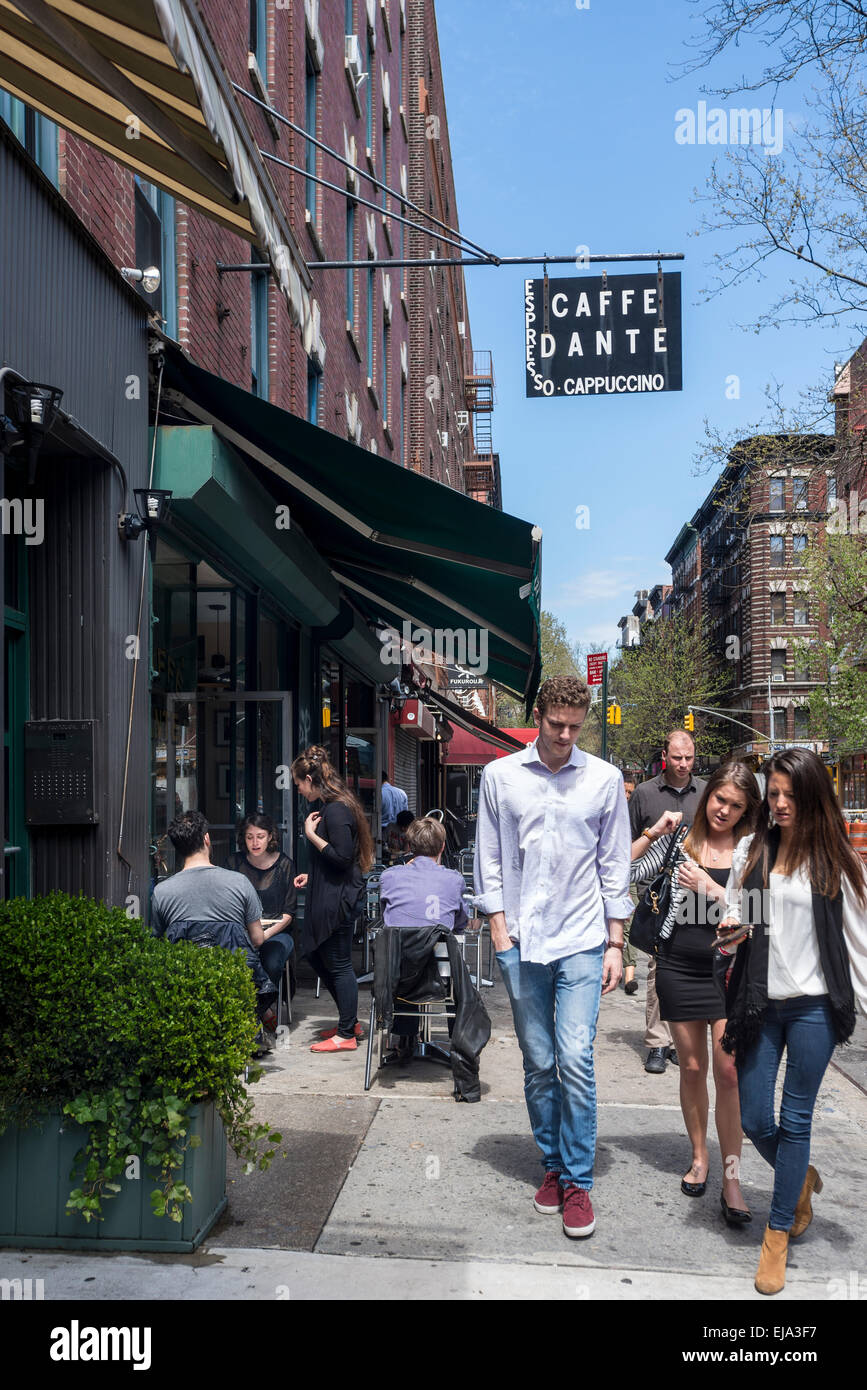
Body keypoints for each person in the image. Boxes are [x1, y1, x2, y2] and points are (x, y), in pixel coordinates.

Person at [474, 675, 632, 1240]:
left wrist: (617, 941)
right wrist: (497, 930)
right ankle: (552, 1166)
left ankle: (579, 1182)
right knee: (539, 1063)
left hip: (585, 939)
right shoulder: (500, 777)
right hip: (520, 941)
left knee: (575, 1058)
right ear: (538, 715)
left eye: (574, 726)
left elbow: (615, 864)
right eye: (555, 724)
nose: (565, 735)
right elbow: (488, 855)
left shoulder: (605, 780)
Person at [718, 748, 867, 1295]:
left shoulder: (836, 862)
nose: (779, 804)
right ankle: (797, 1177)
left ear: (811, 798)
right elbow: (738, 914)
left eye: (789, 795)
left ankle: (777, 1232)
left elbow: (859, 940)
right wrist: (732, 929)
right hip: (760, 1003)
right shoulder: (752, 853)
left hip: (813, 1008)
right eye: (773, 794)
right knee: (756, 1116)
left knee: (796, 1118)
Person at [629, 762, 761, 1220]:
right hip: (679, 966)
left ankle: (732, 1178)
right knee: (690, 1067)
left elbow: (763, 911)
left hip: (729, 973)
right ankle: (699, 1158)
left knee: (727, 1074)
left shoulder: (753, 850)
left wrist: (712, 889)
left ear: (747, 811)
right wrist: (653, 830)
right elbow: (623, 869)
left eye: (736, 805)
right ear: (708, 797)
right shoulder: (679, 840)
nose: (724, 809)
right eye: (720, 799)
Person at [151, 810, 270, 1043]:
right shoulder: (239, 883)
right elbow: (257, 939)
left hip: (185, 991)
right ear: (206, 839)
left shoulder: (161, 892)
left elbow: (157, 943)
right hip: (233, 986)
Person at [630, 731, 707, 1073]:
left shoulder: (706, 793)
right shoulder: (645, 794)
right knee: (658, 967)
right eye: (677, 758)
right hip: (656, 894)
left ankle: (680, 1039)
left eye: (688, 758)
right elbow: (627, 845)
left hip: (696, 893)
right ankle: (658, 1043)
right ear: (665, 755)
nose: (683, 764)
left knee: (690, 965)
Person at [292, 745, 374, 1053]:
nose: (299, 790)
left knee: (338, 963)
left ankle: (346, 1033)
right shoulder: (332, 807)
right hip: (331, 891)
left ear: (310, 779)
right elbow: (339, 862)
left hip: (340, 900)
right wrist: (313, 876)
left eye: (299, 784)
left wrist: (311, 835)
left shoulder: (336, 810)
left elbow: (342, 858)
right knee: (316, 955)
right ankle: (348, 1021)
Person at [379, 816, 470, 1056]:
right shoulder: (454, 879)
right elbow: (460, 923)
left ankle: (404, 1037)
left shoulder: (389, 876)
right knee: (453, 967)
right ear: (442, 847)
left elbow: (386, 918)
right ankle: (458, 1042)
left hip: (397, 975)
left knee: (403, 952)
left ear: (409, 846)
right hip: (441, 975)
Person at [226, 813, 297, 1032]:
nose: (255, 843)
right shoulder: (233, 863)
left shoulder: (285, 864)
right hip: (241, 931)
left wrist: (263, 936)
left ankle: (258, 1010)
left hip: (276, 931)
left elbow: (289, 913)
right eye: (249, 837)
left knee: (272, 962)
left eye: (260, 836)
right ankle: (261, 1012)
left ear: (270, 837)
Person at [621, 773, 639, 996]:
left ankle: (630, 977)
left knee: (629, 924)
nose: (626, 796)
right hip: (604, 877)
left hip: (631, 874)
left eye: (630, 793)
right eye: (623, 791)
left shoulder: (634, 814)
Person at [381, 770, 409, 839]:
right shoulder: (402, 793)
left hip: (383, 832)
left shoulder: (379, 794)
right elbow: (405, 814)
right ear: (387, 779)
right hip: (399, 832)